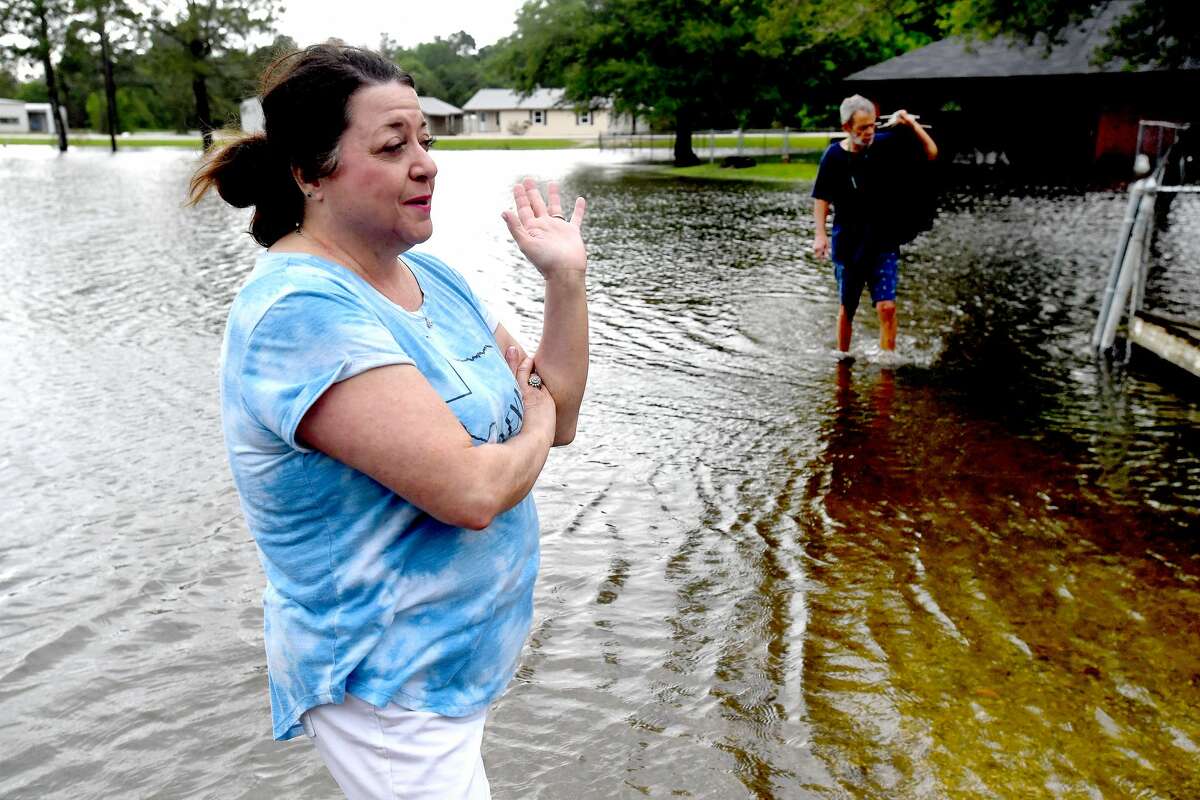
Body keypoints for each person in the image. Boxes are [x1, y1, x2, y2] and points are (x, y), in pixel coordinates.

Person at [189, 43, 589, 799]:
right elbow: (471, 492)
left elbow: (559, 414)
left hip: (453, 666)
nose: (426, 163)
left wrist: (565, 281)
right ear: (309, 173)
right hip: (385, 684)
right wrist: (533, 424)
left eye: (426, 142)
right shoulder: (299, 312)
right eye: (392, 145)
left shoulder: (429, 276)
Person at [812, 94, 938, 354]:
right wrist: (820, 235)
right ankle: (843, 359)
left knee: (887, 306)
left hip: (883, 239)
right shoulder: (833, 156)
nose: (869, 132)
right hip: (849, 242)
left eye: (872, 126)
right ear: (847, 128)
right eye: (862, 128)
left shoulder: (885, 145)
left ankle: (887, 367)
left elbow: (931, 152)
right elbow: (822, 198)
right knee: (848, 307)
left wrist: (910, 124)